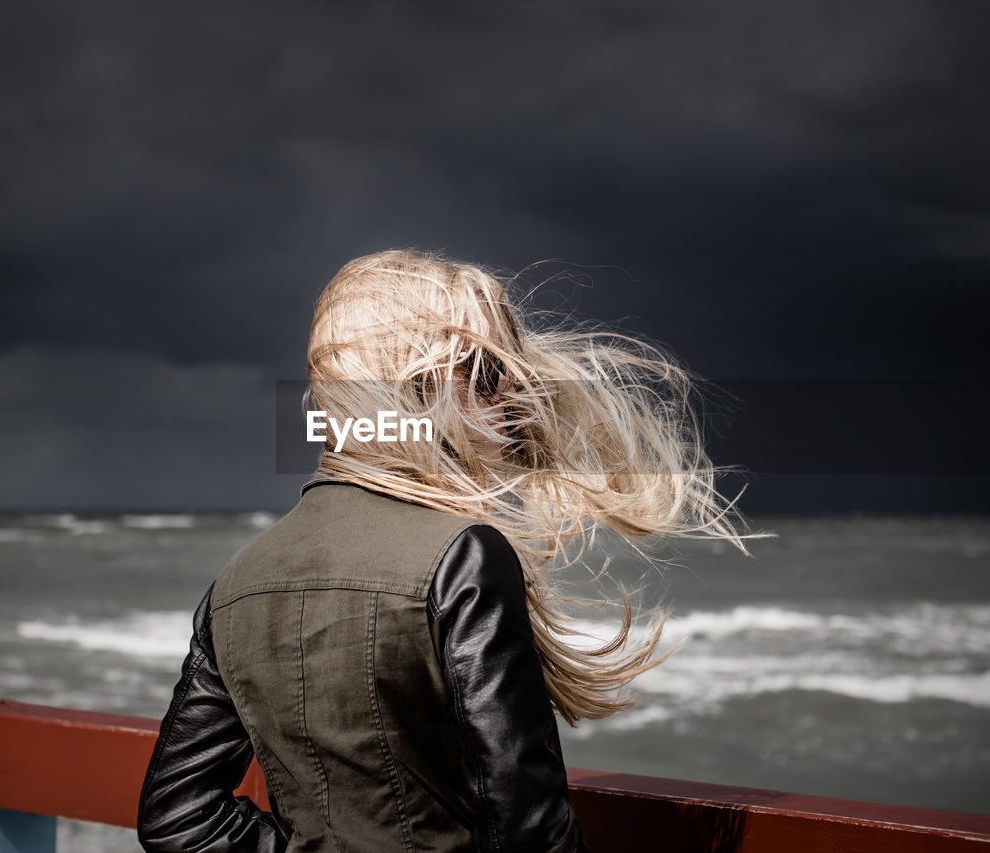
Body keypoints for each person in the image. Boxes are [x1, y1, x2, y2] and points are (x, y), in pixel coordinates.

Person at [137, 249, 750, 852]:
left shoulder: (237, 581)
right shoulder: (463, 557)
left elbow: (178, 820)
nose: (510, 392)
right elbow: (531, 835)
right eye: (484, 371)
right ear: (413, 387)